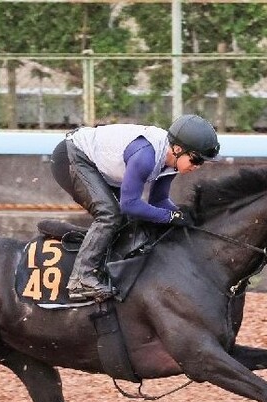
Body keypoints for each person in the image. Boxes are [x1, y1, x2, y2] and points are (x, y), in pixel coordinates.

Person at [50, 114, 221, 301]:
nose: (197, 166)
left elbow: (159, 201)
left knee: (128, 224)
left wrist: (182, 215)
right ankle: (81, 279)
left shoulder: (171, 160)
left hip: (97, 166)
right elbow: (130, 205)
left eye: (202, 162)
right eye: (196, 160)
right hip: (71, 157)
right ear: (178, 149)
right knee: (110, 215)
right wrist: (172, 216)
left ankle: (107, 270)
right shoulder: (146, 156)